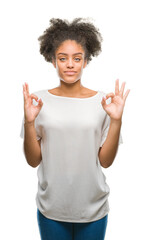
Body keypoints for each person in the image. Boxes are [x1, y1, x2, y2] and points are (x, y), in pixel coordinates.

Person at [20, 18, 130, 240]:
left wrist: (116, 120)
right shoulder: (38, 101)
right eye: (63, 58)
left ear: (85, 61)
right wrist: (29, 122)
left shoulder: (104, 102)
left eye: (77, 58)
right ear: (53, 61)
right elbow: (33, 161)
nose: (70, 64)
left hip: (93, 209)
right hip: (51, 209)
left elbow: (106, 162)